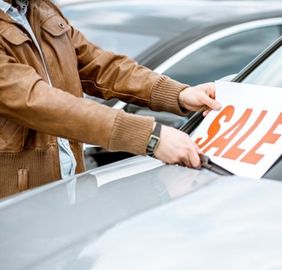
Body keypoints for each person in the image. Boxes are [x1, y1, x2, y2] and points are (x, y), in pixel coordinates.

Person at [0, 0, 222, 198]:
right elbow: (37, 101)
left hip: (69, 194)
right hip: (17, 206)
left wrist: (178, 94)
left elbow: (101, 66)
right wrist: (149, 137)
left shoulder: (40, 8)